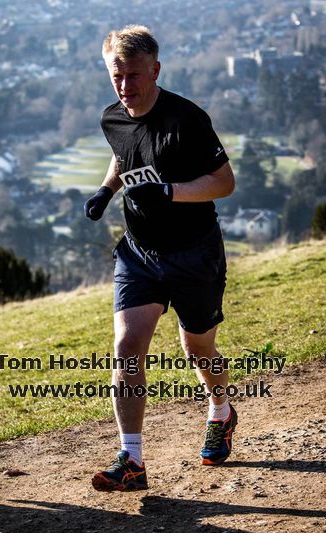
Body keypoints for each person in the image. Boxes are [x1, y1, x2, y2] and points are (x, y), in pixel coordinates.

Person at [84, 25, 237, 492]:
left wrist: (169, 191)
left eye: (133, 75)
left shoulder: (187, 119)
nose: (124, 85)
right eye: (116, 75)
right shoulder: (112, 118)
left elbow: (224, 182)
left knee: (198, 349)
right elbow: (124, 153)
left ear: (155, 70)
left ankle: (221, 410)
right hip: (139, 252)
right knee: (127, 346)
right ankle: (131, 459)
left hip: (194, 254)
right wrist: (107, 190)